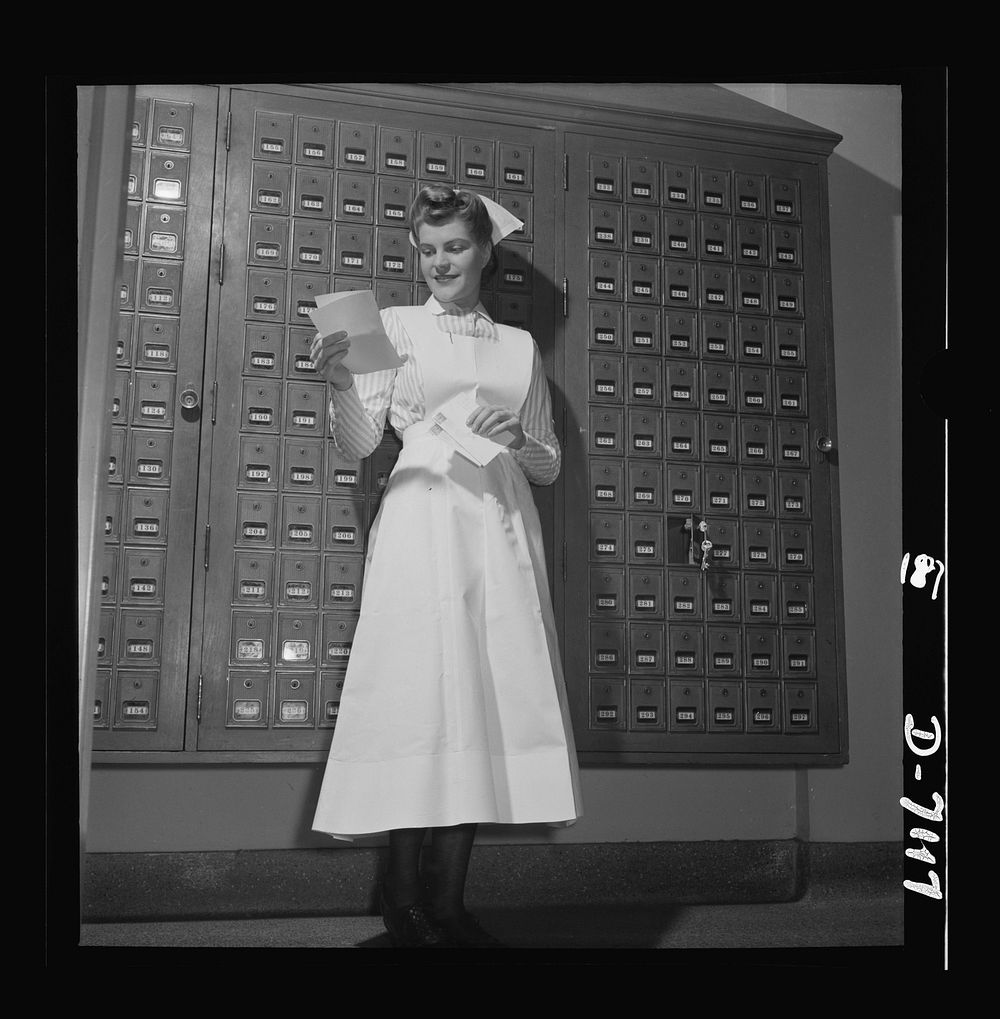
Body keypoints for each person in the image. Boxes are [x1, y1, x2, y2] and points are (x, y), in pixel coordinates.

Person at [310, 185, 583, 948]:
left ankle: (450, 899)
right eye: (427, 250)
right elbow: (362, 444)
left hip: (496, 524)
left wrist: (517, 440)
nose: (439, 262)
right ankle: (402, 894)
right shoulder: (392, 327)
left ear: (484, 251)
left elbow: (549, 464)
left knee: (483, 695)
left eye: (454, 247)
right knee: (418, 698)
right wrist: (339, 386)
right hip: (421, 517)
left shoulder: (519, 348)